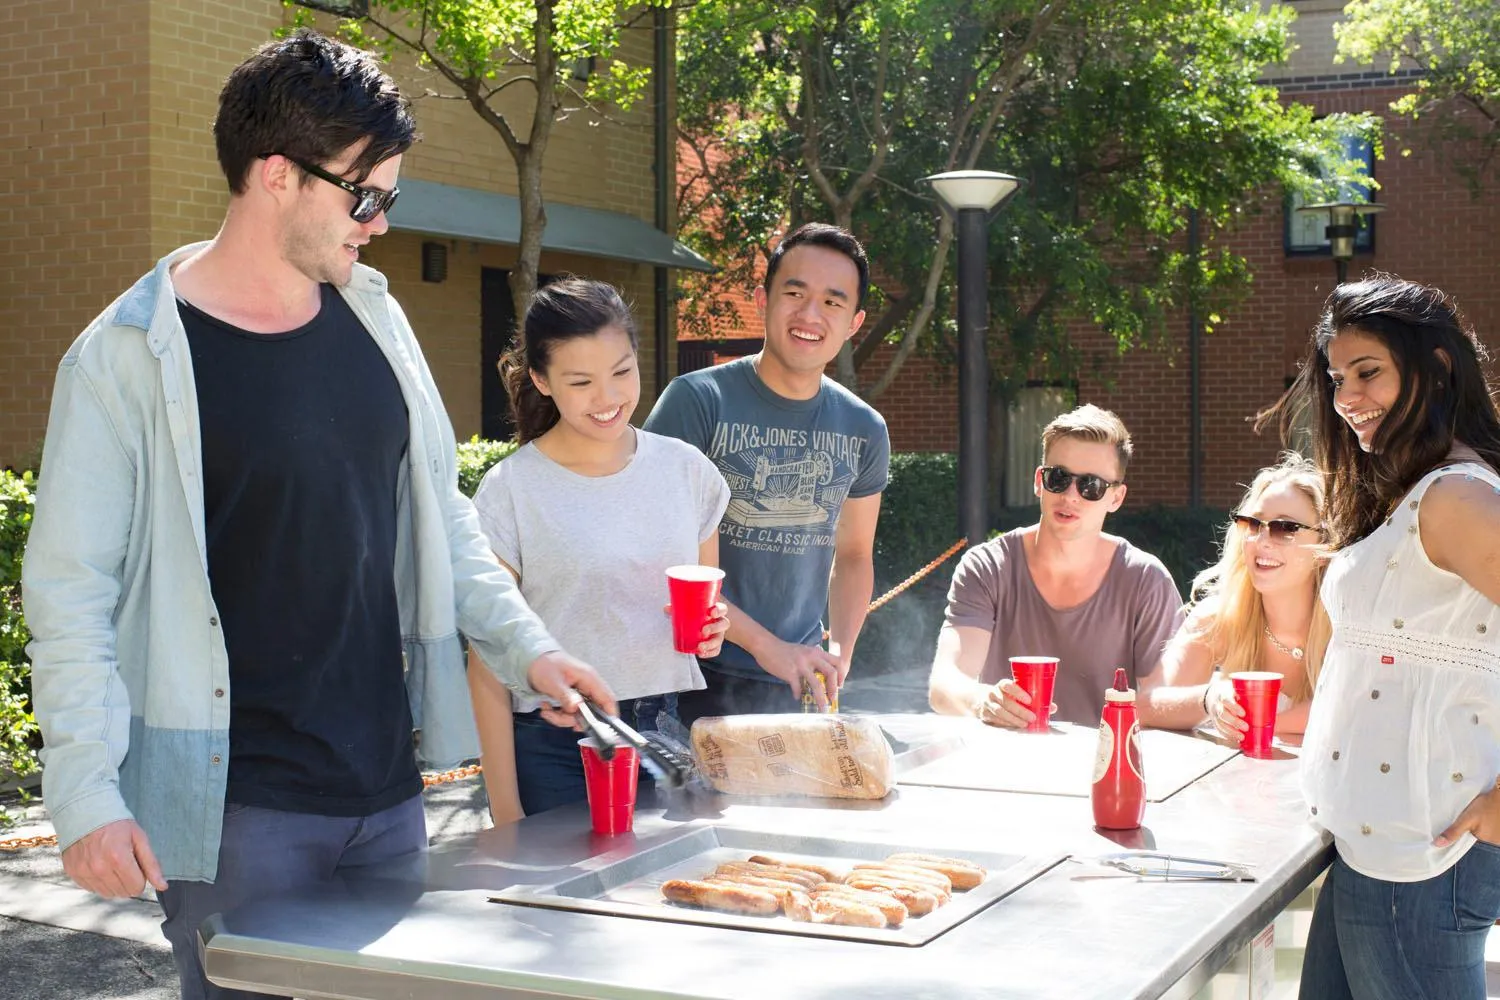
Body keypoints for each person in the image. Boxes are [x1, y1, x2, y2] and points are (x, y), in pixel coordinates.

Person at [20, 31, 613, 1000]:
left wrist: (528, 650)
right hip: (235, 812)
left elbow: (437, 518)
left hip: (388, 797)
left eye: (390, 198)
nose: (378, 223)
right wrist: (85, 796)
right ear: (275, 176)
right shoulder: (124, 357)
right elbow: (70, 592)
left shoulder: (377, 316)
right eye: (364, 195)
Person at [1258, 276, 1500, 999]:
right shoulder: (1410, 493)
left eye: (1369, 372)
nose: (1348, 397)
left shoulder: (1458, 496)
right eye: (1337, 378)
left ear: (1439, 366)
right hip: (1374, 852)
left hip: (1420, 863)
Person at [466, 278, 731, 819]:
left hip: (669, 731)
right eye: (582, 381)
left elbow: (706, 620)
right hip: (555, 745)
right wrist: (506, 808)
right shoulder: (511, 489)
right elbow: (488, 661)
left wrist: (713, 631)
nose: (608, 398)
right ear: (541, 380)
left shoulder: (687, 471)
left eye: (622, 372)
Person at [644, 222, 890, 721]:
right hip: (684, 677)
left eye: (832, 302)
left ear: (855, 322)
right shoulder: (696, 402)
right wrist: (766, 646)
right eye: (794, 293)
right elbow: (657, 552)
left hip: (794, 679)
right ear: (762, 299)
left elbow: (856, 553)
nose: (809, 315)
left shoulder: (864, 427)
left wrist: (839, 654)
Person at [928, 404, 1183, 728]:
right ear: (1039, 481)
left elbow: (1163, 702)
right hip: (1003, 768)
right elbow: (945, 685)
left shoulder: (1147, 580)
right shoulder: (988, 566)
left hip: (1105, 770)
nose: (1071, 496)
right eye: (1059, 478)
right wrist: (982, 700)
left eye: (1091, 486)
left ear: (1116, 498)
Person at [1138, 454, 1330, 739]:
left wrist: (1263, 725)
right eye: (1253, 524)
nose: (1262, 541)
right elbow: (1146, 704)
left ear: (1324, 541)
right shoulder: (1221, 615)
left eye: (1285, 528)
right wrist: (1210, 698)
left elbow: (1355, 712)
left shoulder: (1348, 624)